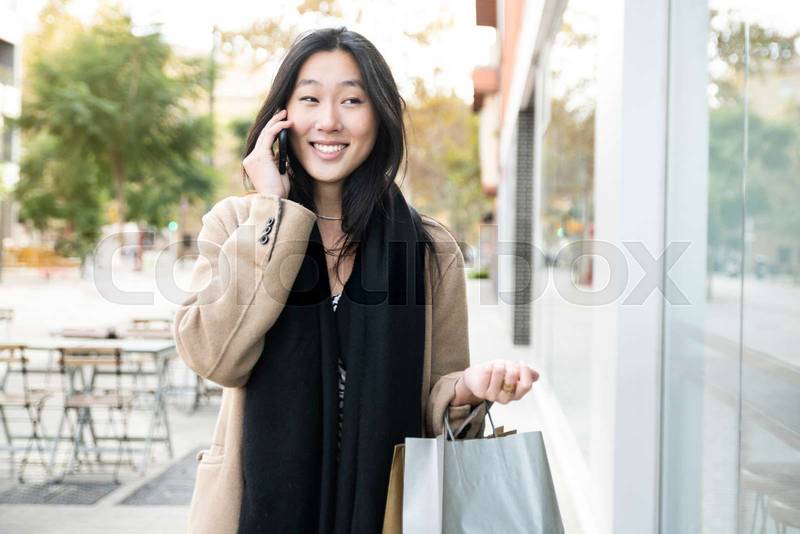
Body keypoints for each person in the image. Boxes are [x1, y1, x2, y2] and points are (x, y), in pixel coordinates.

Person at [174, 26, 540, 534]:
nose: (329, 121)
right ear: (282, 115)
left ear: (380, 116)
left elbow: (436, 404)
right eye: (310, 99)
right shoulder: (240, 225)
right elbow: (213, 357)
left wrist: (468, 389)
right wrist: (272, 213)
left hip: (385, 514)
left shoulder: (429, 249)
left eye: (352, 100)